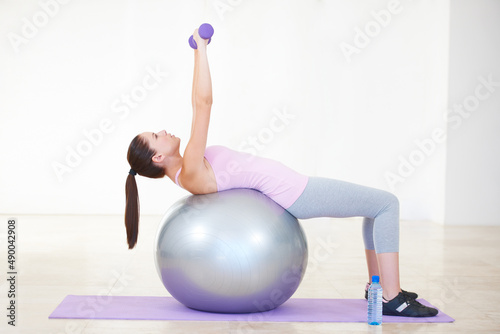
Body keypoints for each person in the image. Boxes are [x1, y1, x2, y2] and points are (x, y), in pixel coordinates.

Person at [124, 28, 438, 318]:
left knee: (375, 209)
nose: (163, 130)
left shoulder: (187, 170)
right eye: (156, 134)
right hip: (296, 193)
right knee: (386, 204)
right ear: (159, 156)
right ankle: (392, 299)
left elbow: (199, 105)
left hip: (293, 190)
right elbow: (202, 103)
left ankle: (380, 289)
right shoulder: (190, 167)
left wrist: (198, 51)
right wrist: (201, 49)